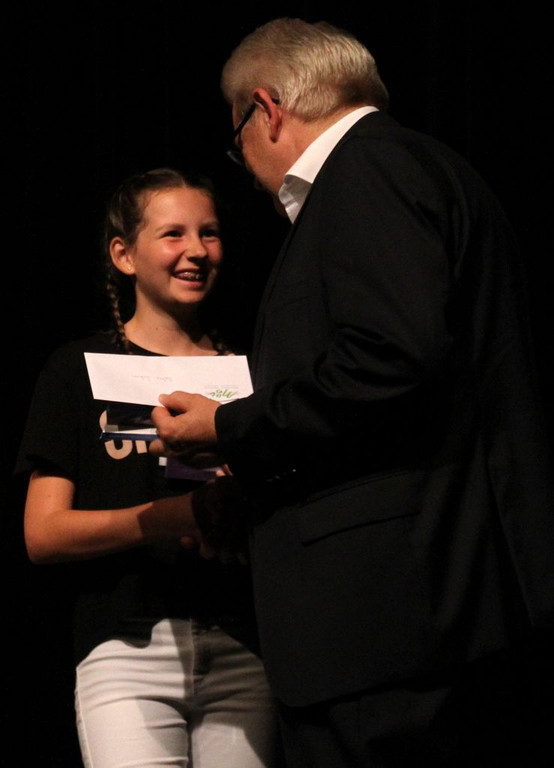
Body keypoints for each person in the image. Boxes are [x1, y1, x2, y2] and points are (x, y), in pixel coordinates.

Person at [149, 19, 554, 768]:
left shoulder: (368, 172)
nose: (244, 164)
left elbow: (389, 359)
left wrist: (228, 426)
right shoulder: (427, 167)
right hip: (426, 607)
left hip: (385, 617)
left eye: (237, 140)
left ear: (267, 109)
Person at [16, 167, 282, 768]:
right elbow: (43, 533)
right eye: (173, 234)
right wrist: (176, 516)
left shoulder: (252, 371)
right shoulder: (77, 368)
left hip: (244, 646)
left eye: (209, 232)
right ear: (124, 255)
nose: (197, 250)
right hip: (127, 650)